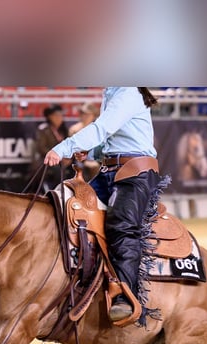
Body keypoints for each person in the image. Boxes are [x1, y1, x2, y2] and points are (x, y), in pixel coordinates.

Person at [44, 87, 160, 323]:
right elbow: (112, 136)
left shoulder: (127, 91)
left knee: (122, 227)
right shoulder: (114, 91)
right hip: (111, 171)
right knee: (69, 209)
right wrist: (92, 150)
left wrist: (64, 147)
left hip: (134, 173)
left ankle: (126, 296)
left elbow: (102, 128)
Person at [30, 104, 71, 190]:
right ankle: (57, 192)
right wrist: (57, 156)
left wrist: (69, 158)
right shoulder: (43, 129)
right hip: (47, 159)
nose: (59, 118)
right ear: (50, 117)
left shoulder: (64, 130)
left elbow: (69, 145)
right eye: (56, 115)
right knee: (57, 169)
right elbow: (42, 148)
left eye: (60, 115)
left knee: (77, 167)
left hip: (62, 158)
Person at [68, 102, 101, 181]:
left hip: (96, 158)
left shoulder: (97, 129)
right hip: (80, 158)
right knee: (93, 166)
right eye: (84, 114)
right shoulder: (74, 129)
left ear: (93, 116)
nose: (85, 116)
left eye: (88, 114)